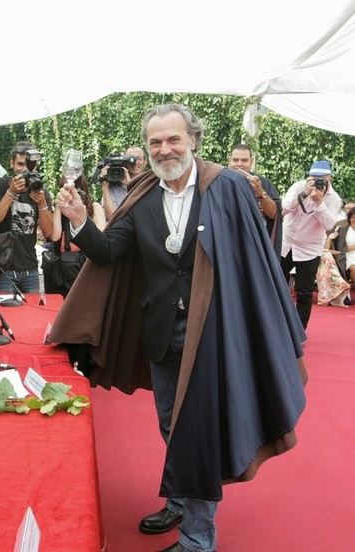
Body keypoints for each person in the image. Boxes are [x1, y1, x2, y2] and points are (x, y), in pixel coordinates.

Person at [49, 103, 307, 552]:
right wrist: (79, 222)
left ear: (193, 140)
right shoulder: (145, 191)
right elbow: (110, 252)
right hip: (161, 332)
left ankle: (197, 539)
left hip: (212, 332)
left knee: (197, 431)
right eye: (155, 142)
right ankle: (181, 500)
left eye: (173, 139)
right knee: (172, 424)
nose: (165, 149)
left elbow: (253, 262)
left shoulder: (226, 188)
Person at [0, 141, 53, 293]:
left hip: (30, 267)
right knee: (5, 315)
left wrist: (42, 204)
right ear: (11, 164)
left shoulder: (40, 190)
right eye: (20, 164)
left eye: (30, 165)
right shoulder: (0, 185)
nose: (25, 170)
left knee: (31, 314)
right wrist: (11, 192)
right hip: (4, 267)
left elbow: (49, 233)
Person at [281, 160, 342, 329]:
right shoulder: (299, 186)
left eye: (322, 177)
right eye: (314, 177)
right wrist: (304, 195)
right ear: (308, 176)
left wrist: (319, 202)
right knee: (275, 284)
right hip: (286, 244)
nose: (318, 181)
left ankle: (299, 329)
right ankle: (275, 325)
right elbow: (283, 208)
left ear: (330, 178)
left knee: (304, 291)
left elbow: (329, 225)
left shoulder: (334, 199)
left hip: (309, 250)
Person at [44, 150, 105, 296]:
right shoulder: (60, 207)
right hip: (62, 269)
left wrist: (81, 213)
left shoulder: (94, 207)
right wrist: (59, 207)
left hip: (85, 265)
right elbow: (55, 236)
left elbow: (100, 238)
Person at [227, 143, 283, 256]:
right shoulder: (220, 181)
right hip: (228, 243)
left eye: (244, 160)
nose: (239, 164)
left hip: (256, 246)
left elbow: (274, 214)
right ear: (229, 160)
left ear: (252, 161)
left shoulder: (263, 183)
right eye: (235, 160)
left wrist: (260, 192)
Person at [99, 146, 147, 219]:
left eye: (139, 158)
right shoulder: (113, 186)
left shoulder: (150, 184)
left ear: (145, 162)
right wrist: (104, 187)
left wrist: (130, 186)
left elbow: (146, 215)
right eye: (130, 159)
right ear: (125, 162)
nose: (134, 162)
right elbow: (111, 218)